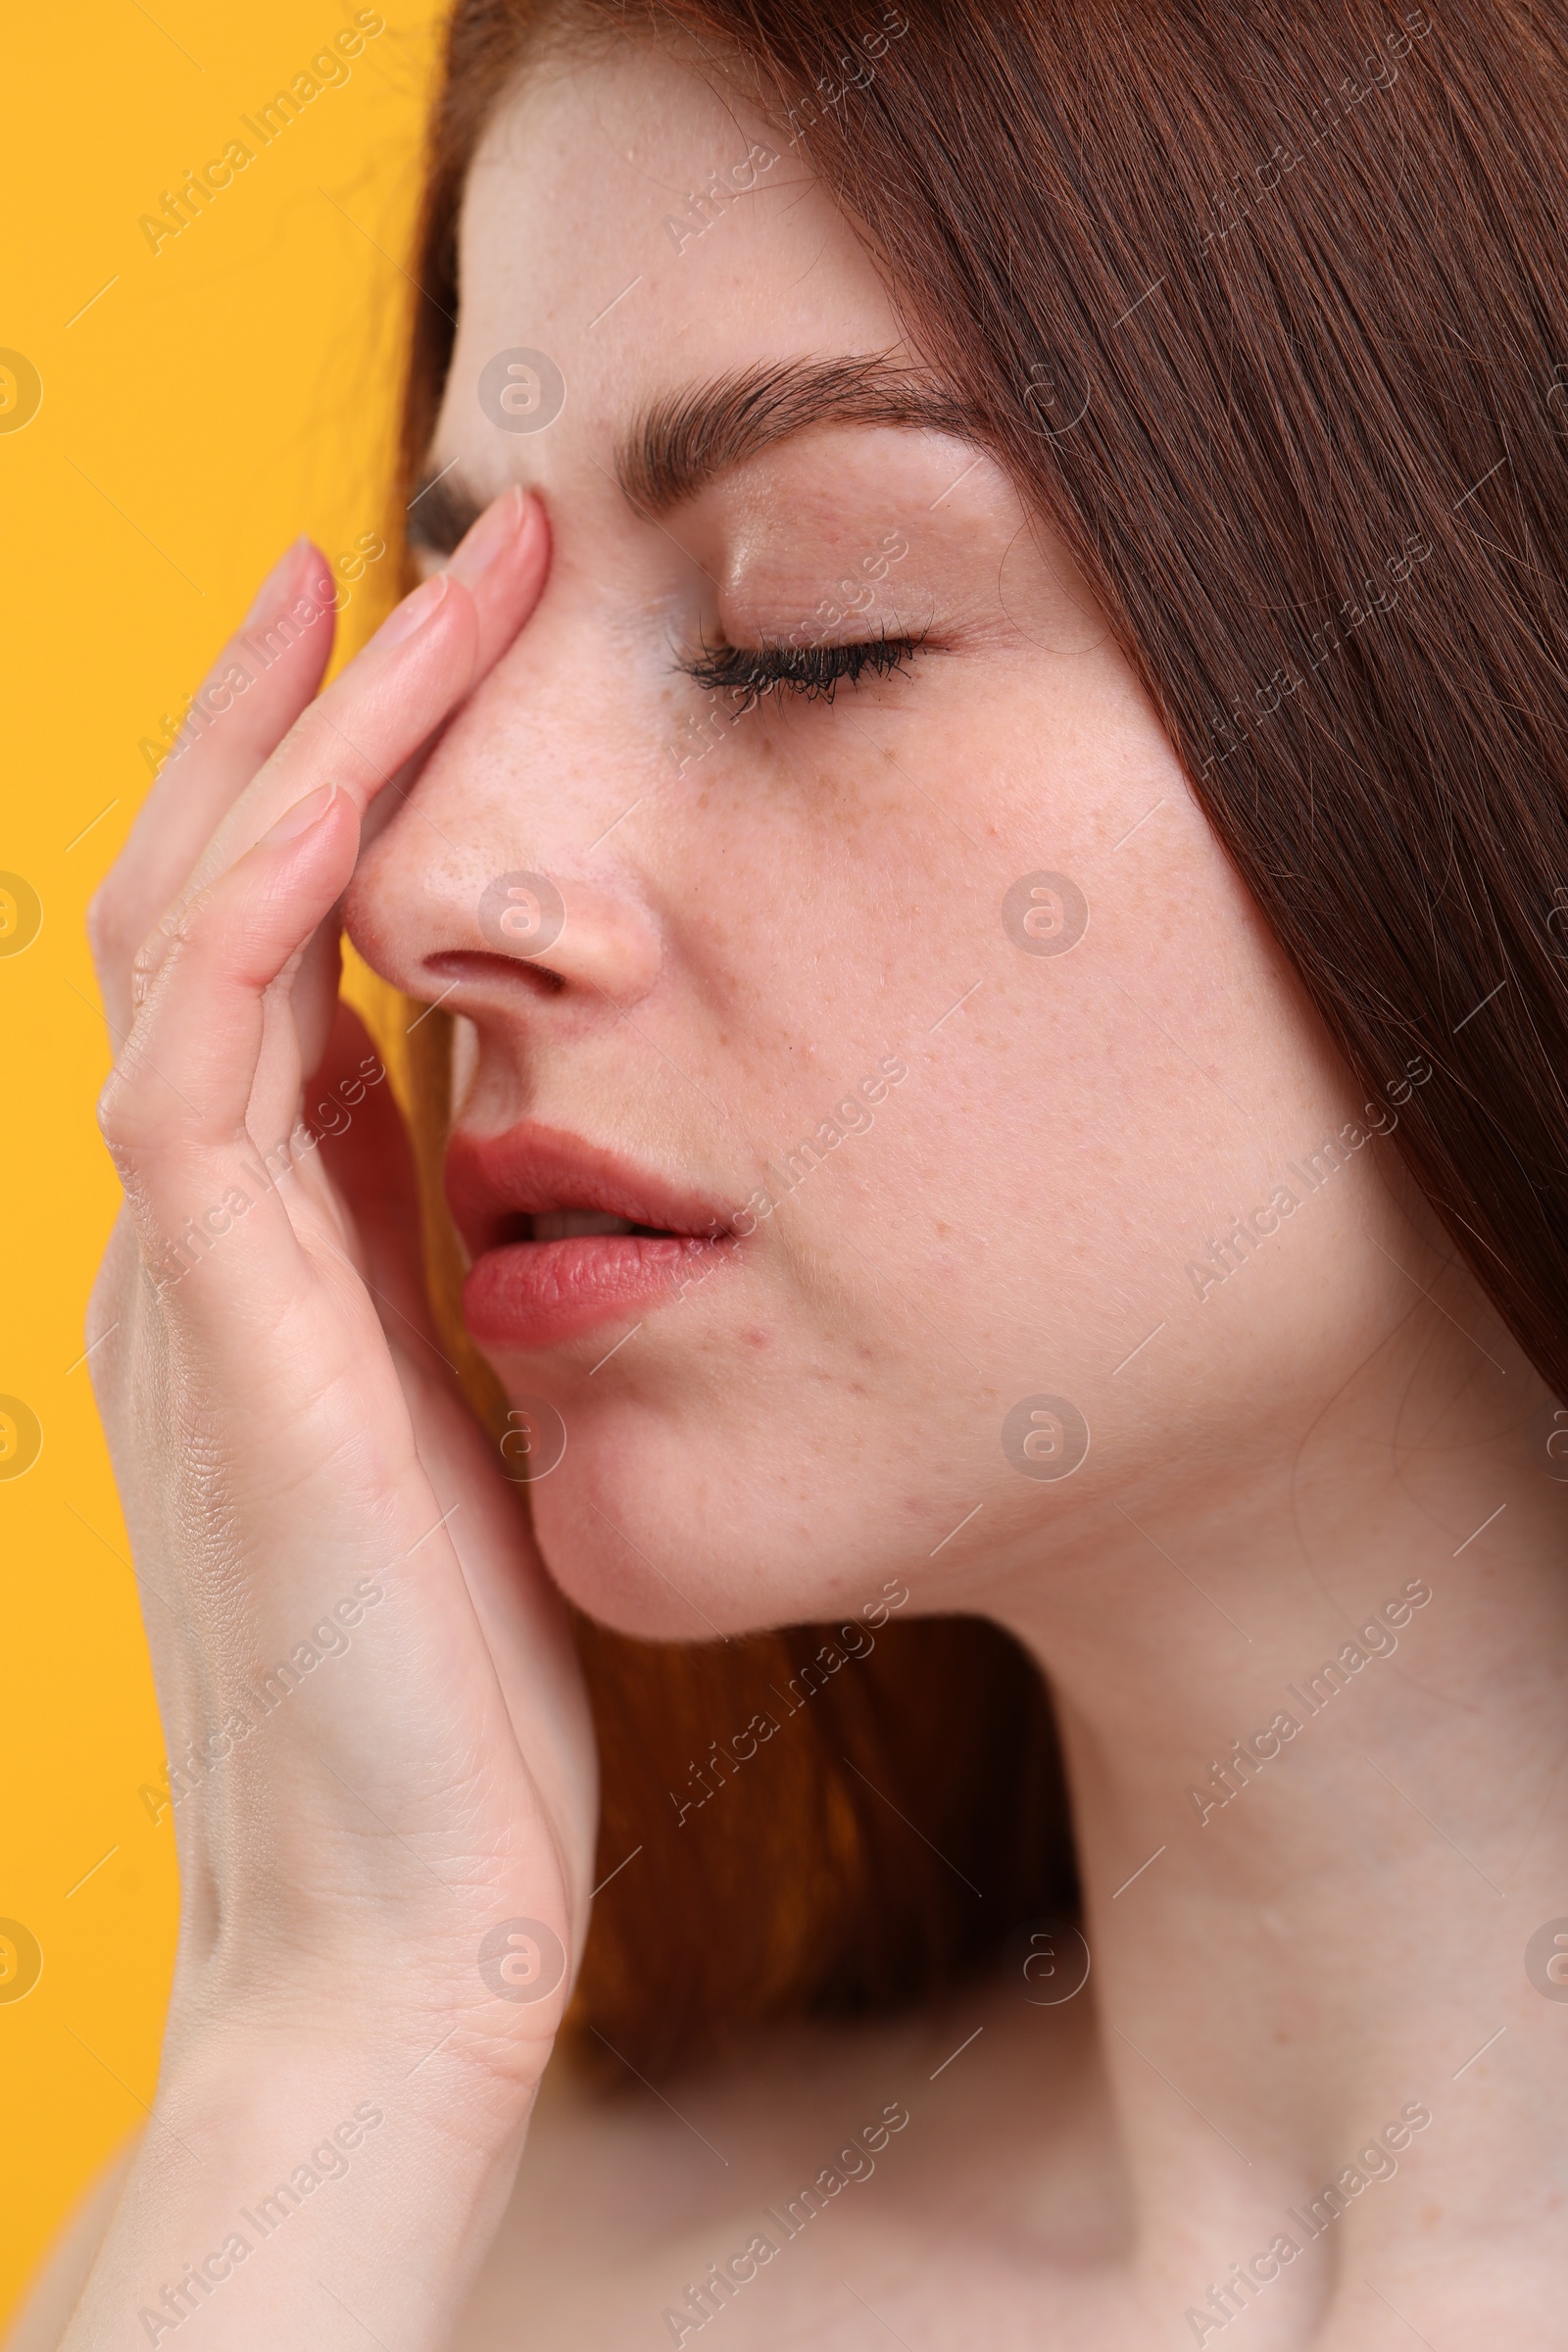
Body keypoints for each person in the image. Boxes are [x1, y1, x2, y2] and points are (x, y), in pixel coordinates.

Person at [15, 1, 1568, 2344]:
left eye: (800, 638)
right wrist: (327, 2029)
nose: (425, 879)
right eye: (460, 635)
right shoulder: (413, 2265)